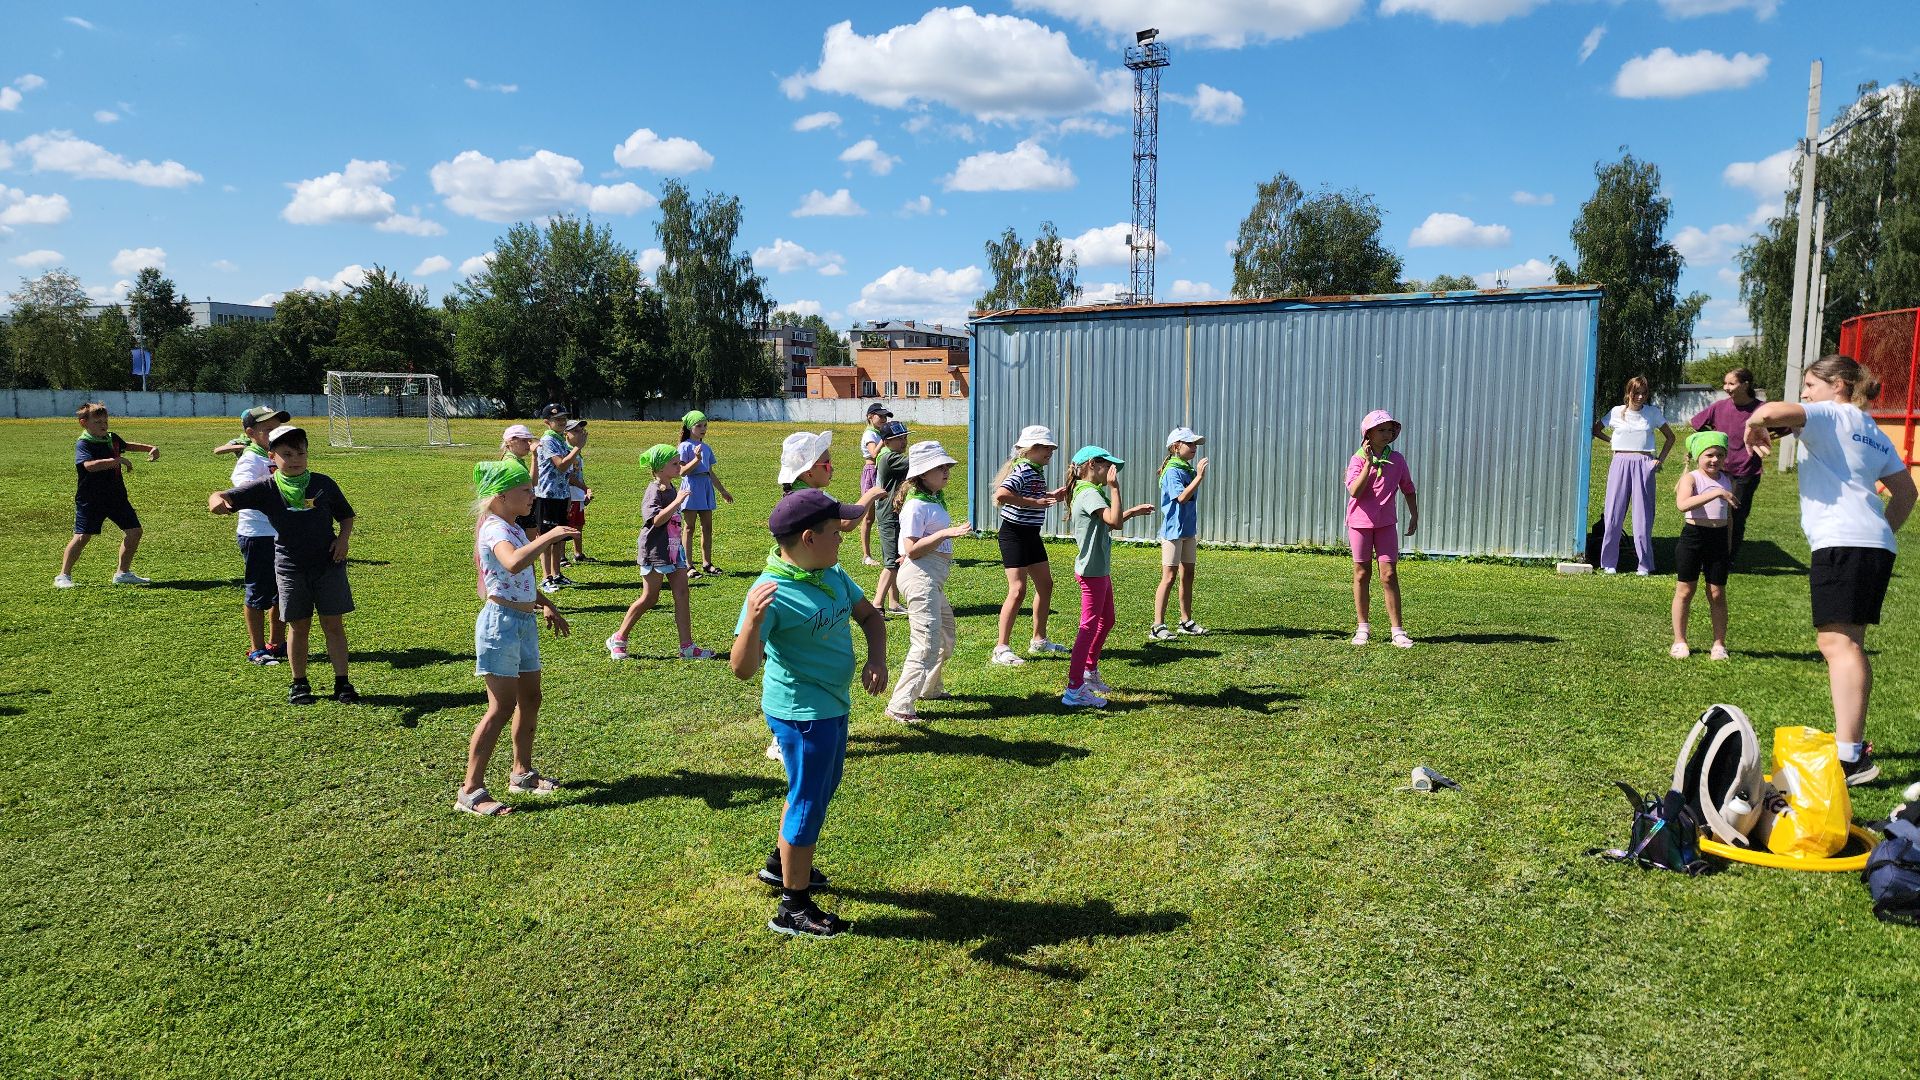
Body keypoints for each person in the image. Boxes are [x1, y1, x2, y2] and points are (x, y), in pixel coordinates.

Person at [1745, 355, 1917, 785]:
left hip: (1844, 543)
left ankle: (1850, 757)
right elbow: (1907, 493)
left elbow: (1769, 411)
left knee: (1837, 644)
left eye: (1809, 384)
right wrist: (1881, 530)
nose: (1804, 393)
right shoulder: (1872, 429)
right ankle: (1850, 748)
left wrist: (1755, 423)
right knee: (1848, 643)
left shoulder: (1831, 414)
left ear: (1837, 384)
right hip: (1870, 543)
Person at [731, 490, 888, 938]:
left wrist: (876, 659)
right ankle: (793, 908)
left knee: (815, 790)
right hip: (801, 712)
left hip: (832, 704)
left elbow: (870, 618)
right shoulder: (771, 593)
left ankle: (779, 865)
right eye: (837, 531)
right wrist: (755, 624)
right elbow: (741, 669)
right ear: (808, 537)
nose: (846, 536)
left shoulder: (831, 574)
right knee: (808, 800)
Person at [207, 424, 359, 705]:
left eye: (301, 452)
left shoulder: (323, 483)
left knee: (333, 625)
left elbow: (346, 516)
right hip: (290, 567)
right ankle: (299, 683)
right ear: (272, 456)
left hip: (328, 565)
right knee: (298, 626)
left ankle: (343, 682)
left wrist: (343, 540)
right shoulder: (266, 487)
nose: (296, 459)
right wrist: (216, 501)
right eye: (287, 454)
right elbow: (223, 495)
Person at [458, 458, 576, 816]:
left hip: (523, 624)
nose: (532, 495)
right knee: (501, 707)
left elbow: (520, 580)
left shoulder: (512, 526)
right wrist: (551, 537)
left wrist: (545, 603)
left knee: (531, 698)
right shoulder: (494, 529)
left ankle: (521, 773)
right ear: (500, 496)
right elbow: (511, 564)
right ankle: (471, 791)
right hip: (501, 625)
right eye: (525, 490)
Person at [885, 441, 972, 724]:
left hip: (931, 575)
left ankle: (929, 688)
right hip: (922, 576)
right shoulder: (916, 505)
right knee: (925, 642)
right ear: (923, 474)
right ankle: (900, 705)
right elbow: (911, 547)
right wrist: (948, 532)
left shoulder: (933, 499)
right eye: (940, 468)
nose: (946, 471)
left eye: (947, 467)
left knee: (945, 635)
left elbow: (908, 551)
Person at [1063, 446, 1155, 708]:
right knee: (1088, 627)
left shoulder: (1088, 492)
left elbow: (1108, 520)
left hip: (1097, 569)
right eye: (1107, 466)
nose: (1110, 472)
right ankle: (1074, 688)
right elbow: (1115, 522)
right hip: (1092, 572)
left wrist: (1132, 512)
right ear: (1092, 464)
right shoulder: (1091, 493)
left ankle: (1088, 672)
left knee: (1107, 620)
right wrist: (1115, 488)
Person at [606, 445, 718, 662]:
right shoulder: (654, 490)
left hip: (674, 550)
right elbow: (656, 520)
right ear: (659, 467)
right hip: (655, 551)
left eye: (679, 463)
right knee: (650, 597)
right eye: (675, 464)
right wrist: (678, 501)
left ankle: (687, 646)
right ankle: (618, 638)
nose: (679, 467)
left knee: (683, 595)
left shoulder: (672, 488)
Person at [212, 406, 290, 664]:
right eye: (268, 430)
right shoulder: (251, 459)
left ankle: (277, 643)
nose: (274, 433)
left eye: (277, 428)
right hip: (258, 534)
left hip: (281, 532)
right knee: (258, 592)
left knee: (282, 590)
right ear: (251, 433)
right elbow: (243, 490)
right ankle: (257, 648)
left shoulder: (278, 455)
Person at [989, 425, 1072, 666]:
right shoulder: (1023, 469)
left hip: (1030, 535)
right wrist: (1033, 502)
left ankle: (1039, 640)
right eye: (1045, 447)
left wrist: (1050, 496)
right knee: (1017, 590)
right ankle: (1001, 648)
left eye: (1051, 448)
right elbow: (1002, 496)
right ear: (1031, 449)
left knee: (1046, 585)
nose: (1050, 451)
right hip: (1014, 535)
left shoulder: (1034, 470)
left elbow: (1030, 496)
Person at [57, 402, 159, 588]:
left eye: (105, 421)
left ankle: (123, 573)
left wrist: (150, 447)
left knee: (134, 532)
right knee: (82, 537)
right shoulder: (84, 443)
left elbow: (126, 445)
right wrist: (116, 461)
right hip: (91, 499)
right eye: (97, 422)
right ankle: (63, 576)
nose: (103, 425)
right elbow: (88, 466)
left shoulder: (111, 438)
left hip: (116, 497)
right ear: (83, 423)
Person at [1346, 410, 1420, 648]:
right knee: (1361, 573)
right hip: (1360, 524)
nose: (1387, 434)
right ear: (1368, 433)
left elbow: (1407, 487)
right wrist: (1368, 464)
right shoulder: (1357, 459)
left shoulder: (1397, 460)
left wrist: (1414, 514)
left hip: (1386, 524)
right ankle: (1362, 628)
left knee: (1388, 575)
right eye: (1382, 430)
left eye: (1390, 430)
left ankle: (1397, 631)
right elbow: (1355, 491)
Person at [1591, 376, 1675, 575]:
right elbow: (1596, 429)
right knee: (1613, 512)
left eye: (1644, 393)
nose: (1639, 397)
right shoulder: (1615, 412)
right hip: (1620, 462)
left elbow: (1670, 437)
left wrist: (1659, 460)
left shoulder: (1652, 413)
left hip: (1644, 463)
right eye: (1636, 392)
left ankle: (1644, 564)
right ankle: (1609, 562)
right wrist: (1612, 441)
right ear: (1628, 392)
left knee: (1643, 515)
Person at [1689, 367, 1774, 560]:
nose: (1726, 387)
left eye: (1731, 383)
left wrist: (1766, 437)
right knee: (1712, 513)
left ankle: (1727, 557)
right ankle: (1708, 553)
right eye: (1725, 383)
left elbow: (1784, 425)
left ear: (1745, 385)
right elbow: (1695, 423)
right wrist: (1711, 440)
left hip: (1746, 472)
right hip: (1719, 471)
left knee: (1735, 516)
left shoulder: (1760, 410)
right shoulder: (1719, 407)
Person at [1670, 431, 1738, 661]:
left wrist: (1728, 545)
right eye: (1709, 454)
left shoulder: (1728, 480)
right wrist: (1716, 493)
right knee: (1685, 590)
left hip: (1717, 539)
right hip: (1693, 537)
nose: (1715, 460)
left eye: (1720, 455)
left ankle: (1719, 644)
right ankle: (1679, 641)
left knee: (1717, 593)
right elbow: (1683, 504)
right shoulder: (1692, 479)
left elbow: (1728, 516)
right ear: (1698, 456)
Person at [1151, 427, 1210, 641]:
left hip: (1187, 531)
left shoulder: (1186, 469)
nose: (1194, 448)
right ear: (1176, 447)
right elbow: (1182, 498)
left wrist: (1196, 476)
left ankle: (1186, 621)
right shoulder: (1172, 471)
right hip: (1173, 532)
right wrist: (1200, 477)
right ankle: (1157, 625)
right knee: (1169, 577)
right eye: (1190, 444)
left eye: (1195, 444)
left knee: (1188, 575)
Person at [533, 405, 583, 591]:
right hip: (547, 495)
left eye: (564, 418)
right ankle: (546, 577)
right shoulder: (548, 440)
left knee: (559, 537)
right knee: (546, 538)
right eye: (557, 419)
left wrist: (569, 495)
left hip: (560, 495)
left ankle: (557, 574)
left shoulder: (559, 439)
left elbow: (567, 473)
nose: (562, 422)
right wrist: (578, 447)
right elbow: (561, 465)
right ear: (547, 422)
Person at [679, 410, 734, 577]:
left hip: (706, 488)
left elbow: (710, 472)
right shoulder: (684, 446)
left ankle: (707, 563)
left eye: (705, 425)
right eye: (699, 426)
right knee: (689, 528)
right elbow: (682, 471)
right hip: (691, 488)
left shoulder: (706, 448)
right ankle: (688, 566)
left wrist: (722, 491)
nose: (703, 429)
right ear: (690, 427)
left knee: (707, 528)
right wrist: (696, 459)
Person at [869, 419, 912, 616]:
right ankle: (877, 604)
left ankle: (894, 603)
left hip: (894, 514)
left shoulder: (889, 455)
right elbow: (917, 463)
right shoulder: (890, 458)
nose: (904, 442)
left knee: (895, 560)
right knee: (891, 562)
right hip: (889, 515)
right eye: (899, 439)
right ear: (886, 441)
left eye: (905, 438)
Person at [859, 403, 891, 567]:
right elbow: (873, 453)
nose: (884, 420)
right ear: (870, 417)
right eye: (881, 416)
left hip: (881, 471)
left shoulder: (877, 433)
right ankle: (866, 555)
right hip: (872, 472)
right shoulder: (870, 435)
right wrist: (885, 440)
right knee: (869, 518)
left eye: (886, 417)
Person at [501, 424, 539, 536]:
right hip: (518, 506)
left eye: (529, 441)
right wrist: (534, 457)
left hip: (522, 504)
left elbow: (533, 483)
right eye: (523, 441)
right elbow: (531, 484)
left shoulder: (517, 460)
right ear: (510, 442)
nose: (528, 444)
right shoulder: (511, 462)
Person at [563, 419, 593, 564]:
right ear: (566, 434)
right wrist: (585, 489)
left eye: (581, 431)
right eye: (575, 431)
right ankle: (561, 557)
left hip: (577, 495)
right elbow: (569, 477)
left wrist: (584, 492)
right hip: (568, 495)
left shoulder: (577, 452)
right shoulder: (566, 451)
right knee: (565, 524)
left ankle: (578, 553)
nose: (580, 434)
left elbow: (578, 475)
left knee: (578, 523)